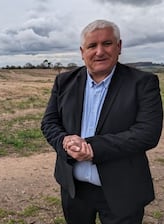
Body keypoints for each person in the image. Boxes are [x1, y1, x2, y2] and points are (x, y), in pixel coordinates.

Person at [41, 19, 163, 224]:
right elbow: (49, 122)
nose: (99, 51)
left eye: (107, 43)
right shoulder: (64, 81)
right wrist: (65, 141)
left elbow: (147, 133)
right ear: (82, 51)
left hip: (122, 190)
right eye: (92, 46)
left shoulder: (143, 83)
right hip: (74, 190)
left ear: (119, 46)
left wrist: (92, 147)